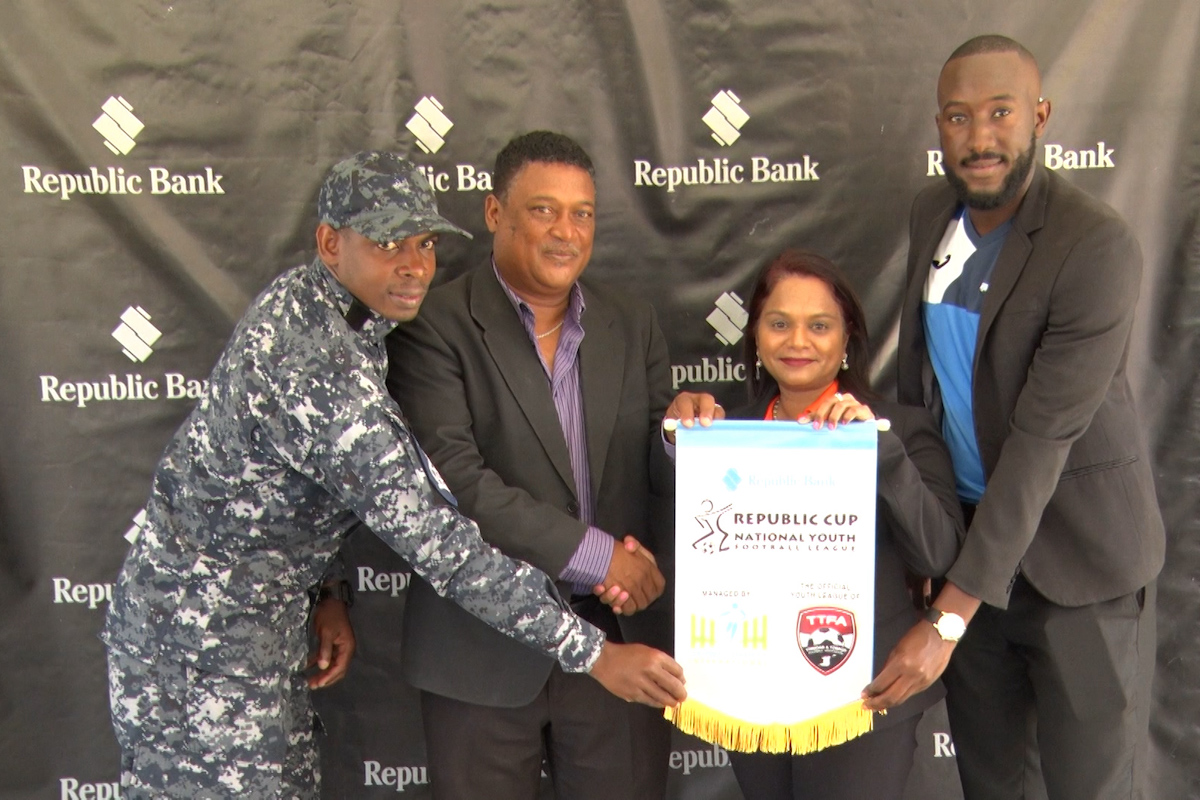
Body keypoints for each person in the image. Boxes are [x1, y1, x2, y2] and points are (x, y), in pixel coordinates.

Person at [102, 151, 685, 800]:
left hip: (259, 627)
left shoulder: (337, 310)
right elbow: (444, 547)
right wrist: (594, 653)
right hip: (196, 645)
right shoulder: (317, 364)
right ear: (330, 243)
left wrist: (327, 588)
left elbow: (290, 484)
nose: (414, 266)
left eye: (425, 243)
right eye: (386, 243)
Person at [893, 35, 1165, 800]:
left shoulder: (1094, 245)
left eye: (1000, 112)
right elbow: (922, 396)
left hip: (1080, 568)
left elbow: (1040, 444)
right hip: (973, 555)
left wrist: (947, 619)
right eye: (957, 117)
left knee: (1091, 787)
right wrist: (929, 552)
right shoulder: (929, 216)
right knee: (991, 783)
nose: (978, 138)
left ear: (1040, 115)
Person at [386, 131, 676, 800]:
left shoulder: (631, 323)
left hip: (619, 634)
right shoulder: (434, 324)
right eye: (544, 210)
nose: (566, 232)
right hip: (479, 650)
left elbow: (653, 478)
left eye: (582, 213)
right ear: (495, 214)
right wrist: (601, 556)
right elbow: (458, 486)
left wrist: (681, 439)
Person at [665, 249, 964, 800]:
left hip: (862, 696)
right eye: (779, 323)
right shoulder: (721, 433)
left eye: (819, 326)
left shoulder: (904, 431)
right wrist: (680, 445)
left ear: (847, 336)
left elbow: (939, 556)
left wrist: (882, 452)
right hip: (748, 687)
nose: (797, 341)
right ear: (755, 336)